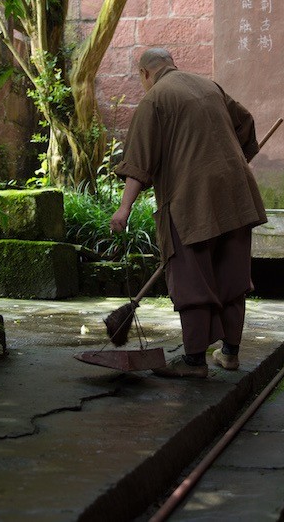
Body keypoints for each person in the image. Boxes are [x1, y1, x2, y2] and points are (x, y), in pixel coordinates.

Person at [110, 48, 267, 378]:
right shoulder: (209, 86)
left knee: (191, 277)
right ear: (171, 64)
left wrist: (123, 209)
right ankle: (230, 353)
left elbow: (139, 164)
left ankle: (194, 361)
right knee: (232, 275)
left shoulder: (156, 99)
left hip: (190, 201)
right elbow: (246, 121)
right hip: (237, 193)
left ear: (145, 74)